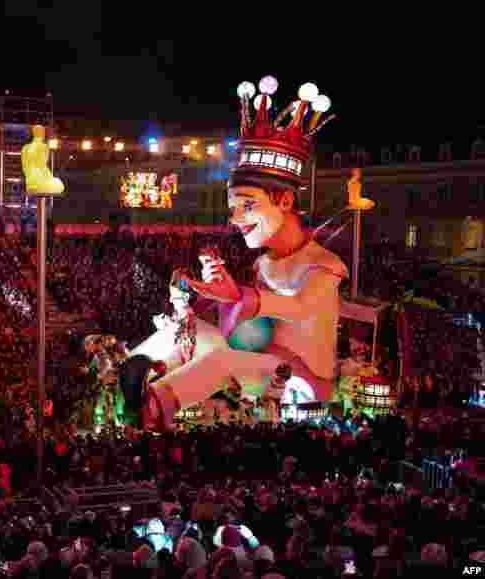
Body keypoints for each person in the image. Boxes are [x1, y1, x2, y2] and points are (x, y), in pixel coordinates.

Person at [142, 76, 348, 430]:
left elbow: (300, 308)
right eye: (233, 207)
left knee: (220, 362)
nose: (235, 219)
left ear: (284, 201)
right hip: (261, 360)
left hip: (301, 378)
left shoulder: (325, 266)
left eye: (247, 206)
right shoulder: (264, 263)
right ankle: (132, 367)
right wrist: (211, 301)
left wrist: (241, 297)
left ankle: (155, 406)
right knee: (184, 331)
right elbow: (248, 325)